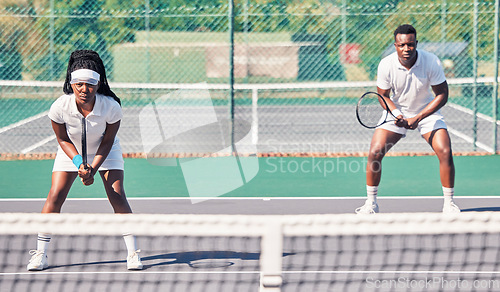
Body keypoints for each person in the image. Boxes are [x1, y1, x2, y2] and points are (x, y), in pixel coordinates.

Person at [27, 50, 143, 271]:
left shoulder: (111, 106)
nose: (84, 89)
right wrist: (80, 164)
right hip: (71, 152)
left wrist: (93, 168)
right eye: (79, 84)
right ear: (71, 84)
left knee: (117, 195)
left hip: (105, 152)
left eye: (90, 84)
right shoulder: (60, 107)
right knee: (55, 195)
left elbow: (108, 141)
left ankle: (133, 253)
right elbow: (62, 139)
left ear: (98, 85)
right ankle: (40, 254)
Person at [355, 24, 460, 214]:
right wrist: (397, 115)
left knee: (445, 150)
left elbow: (442, 95)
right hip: (396, 111)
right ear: (395, 45)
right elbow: (384, 96)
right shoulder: (386, 65)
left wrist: (419, 117)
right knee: (375, 152)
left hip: (426, 112)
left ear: (416, 43)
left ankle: (449, 204)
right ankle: (371, 203)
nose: (406, 49)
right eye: (402, 45)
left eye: (410, 45)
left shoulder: (431, 61)